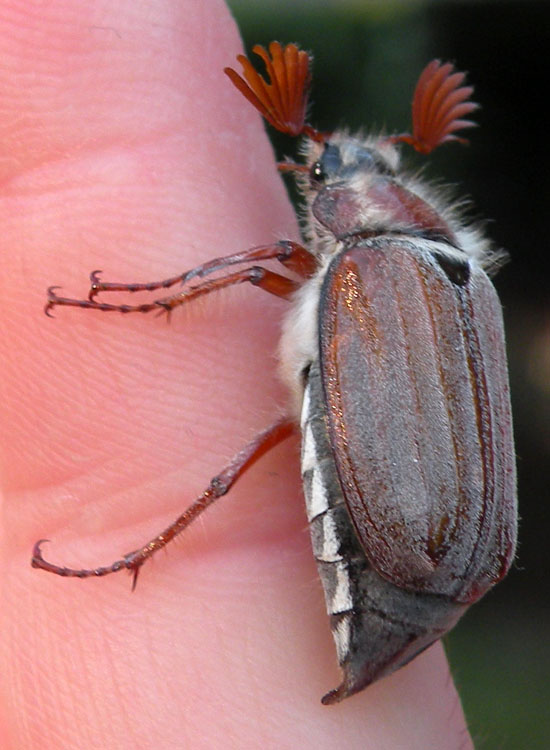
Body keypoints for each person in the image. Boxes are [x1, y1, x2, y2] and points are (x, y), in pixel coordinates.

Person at [0, 1, 472, 746]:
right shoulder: (458, 279)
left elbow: (265, 271)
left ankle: (150, 534)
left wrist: (152, 292)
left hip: (398, 536)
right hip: (437, 547)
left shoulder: (376, 270)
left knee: (273, 321)